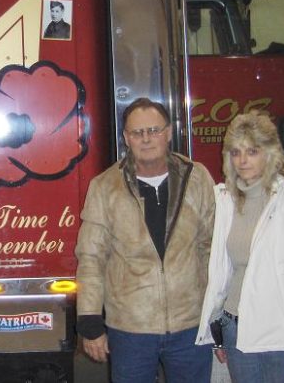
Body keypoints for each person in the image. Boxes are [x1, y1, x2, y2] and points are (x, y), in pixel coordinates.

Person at [75, 97, 215, 383]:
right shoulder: (104, 187)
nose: (146, 139)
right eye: (137, 133)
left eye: (153, 130)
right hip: (130, 330)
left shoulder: (197, 178)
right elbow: (91, 258)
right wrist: (90, 322)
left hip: (191, 326)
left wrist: (220, 315)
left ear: (169, 132)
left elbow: (212, 248)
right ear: (126, 138)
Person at [196, 111, 284, 382]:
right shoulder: (226, 200)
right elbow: (223, 274)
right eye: (235, 152)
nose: (242, 160)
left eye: (252, 151)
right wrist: (217, 332)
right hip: (235, 329)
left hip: (277, 336)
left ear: (269, 154)